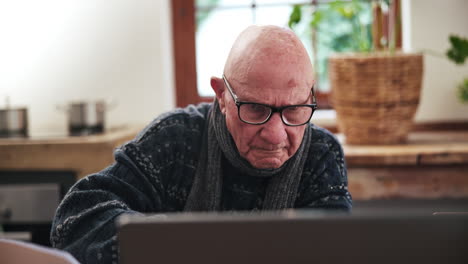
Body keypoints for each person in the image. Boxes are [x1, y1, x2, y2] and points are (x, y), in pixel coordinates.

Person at [51, 25, 352, 264]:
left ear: (310, 99)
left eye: (293, 111)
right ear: (221, 95)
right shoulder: (175, 138)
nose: (275, 135)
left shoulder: (320, 153)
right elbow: (75, 222)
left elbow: (335, 250)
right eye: (255, 110)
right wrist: (183, 240)